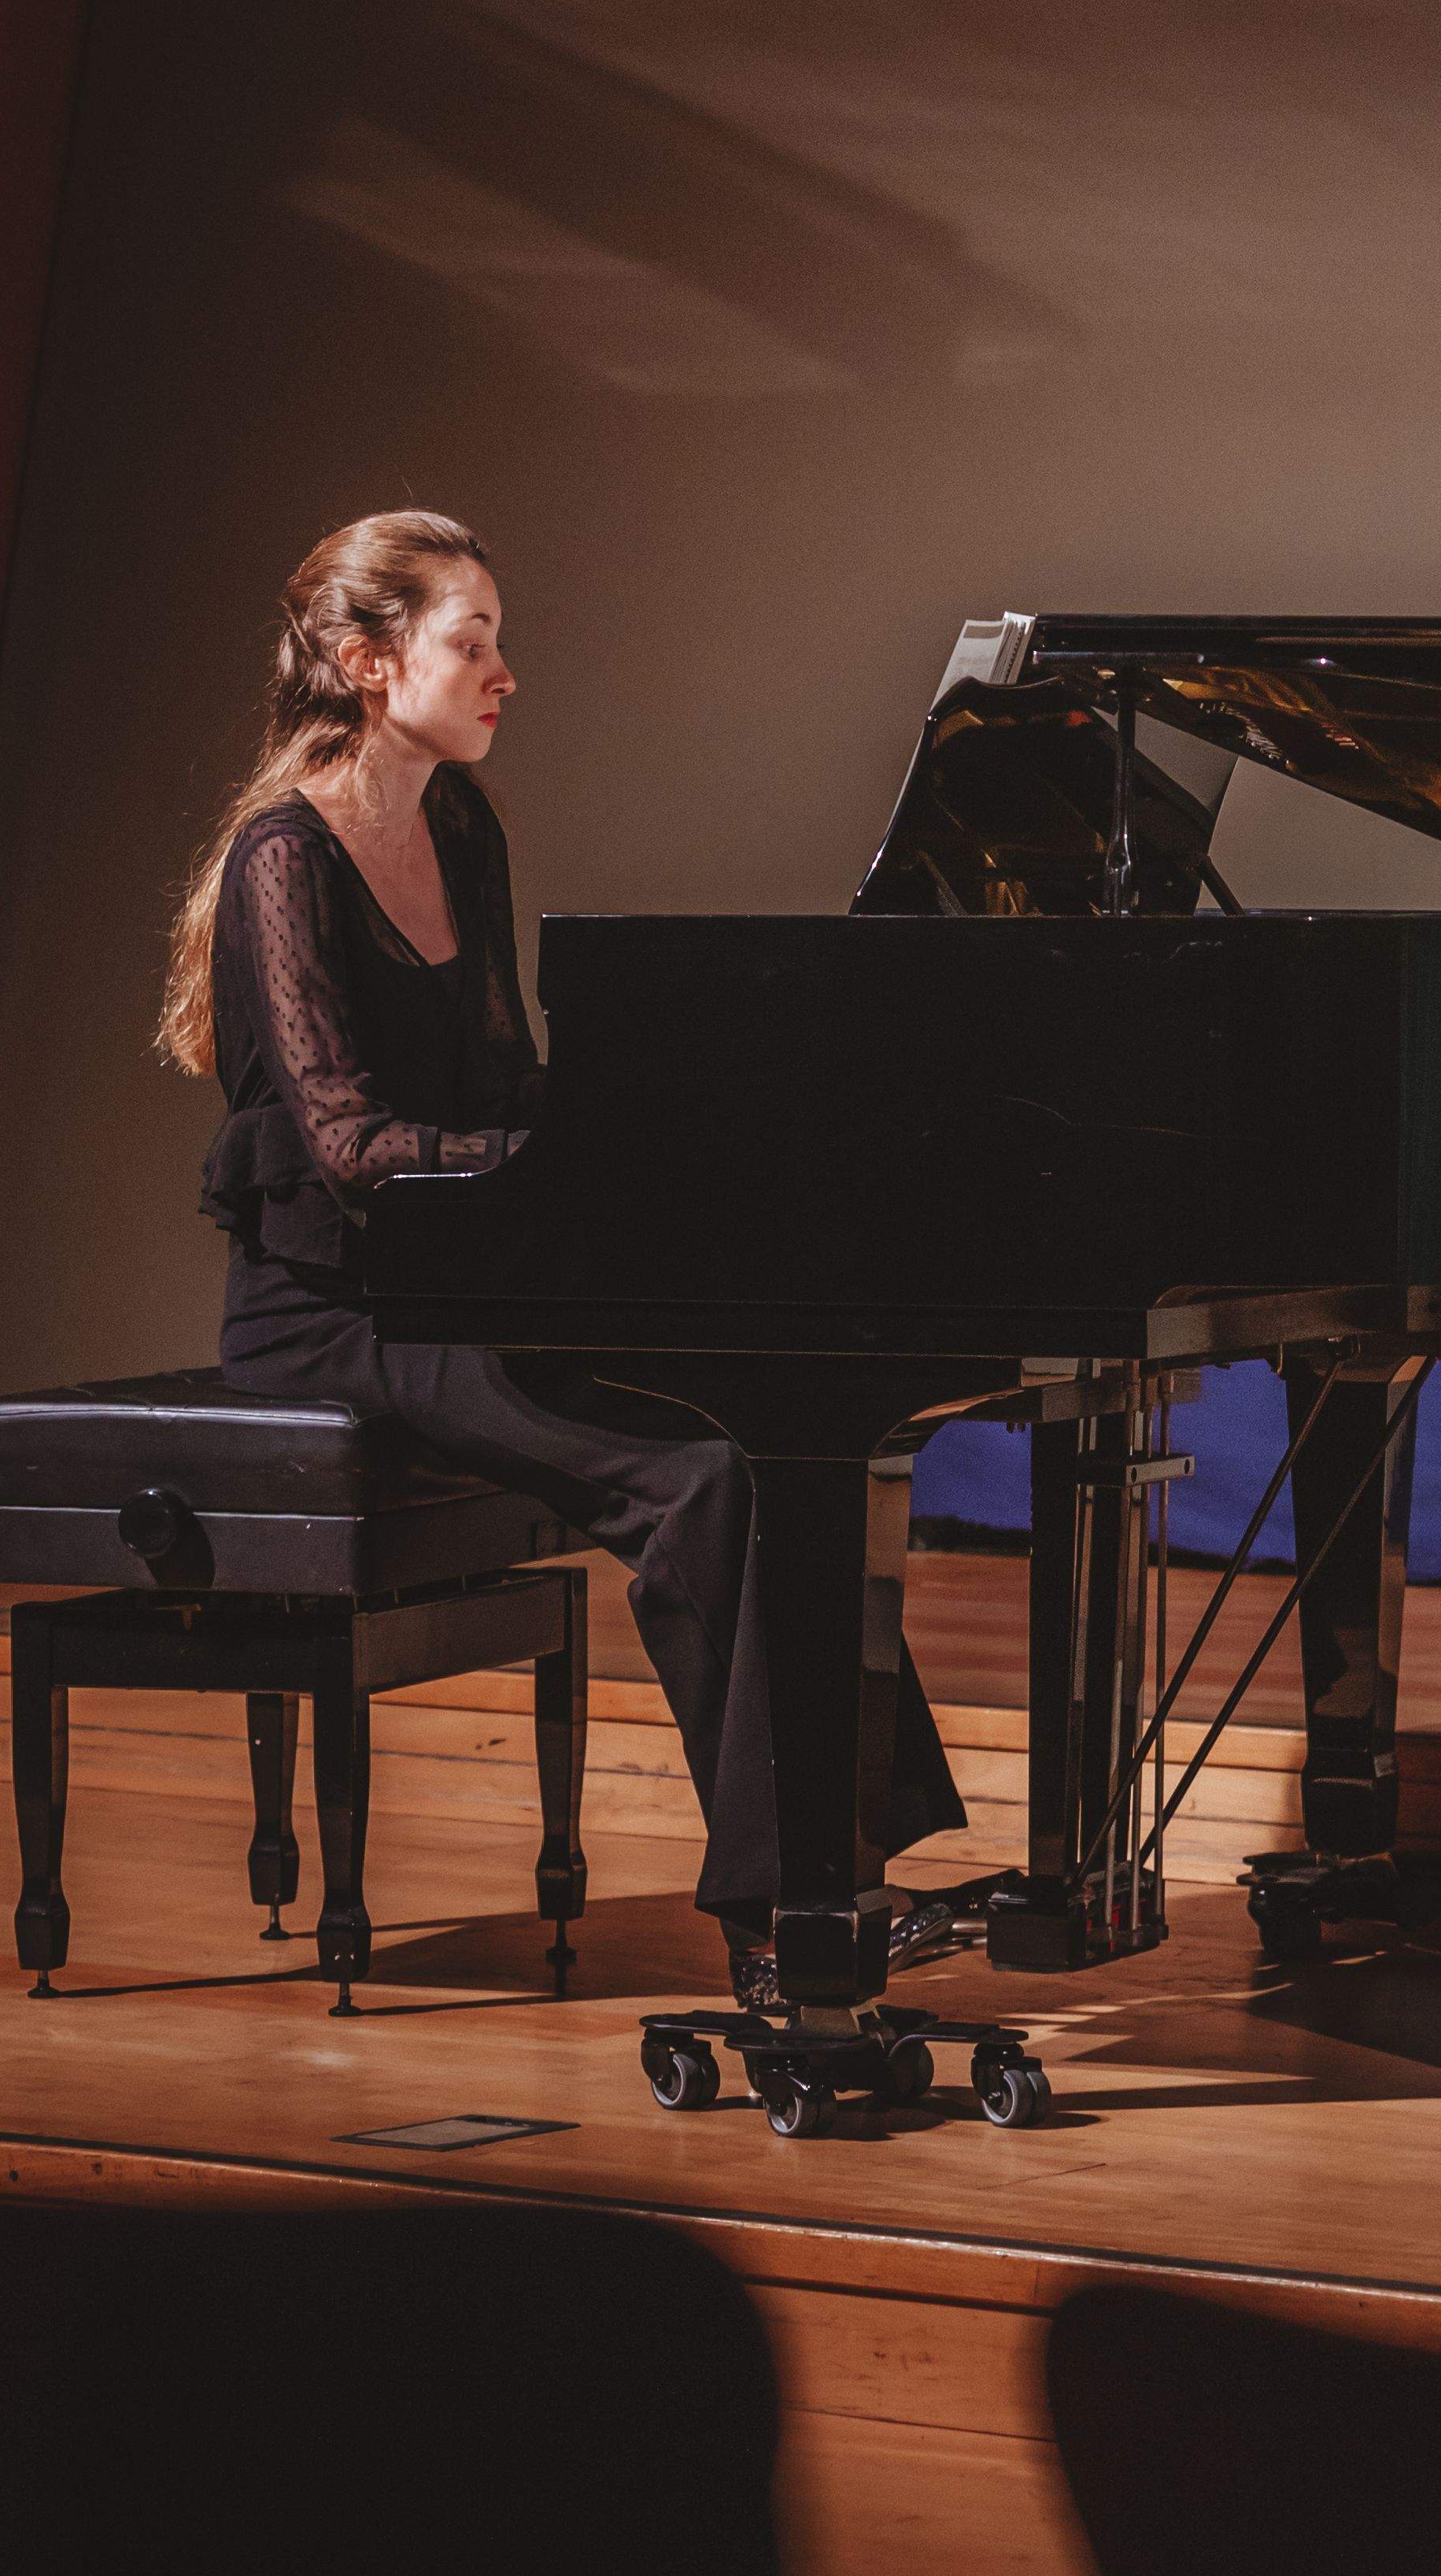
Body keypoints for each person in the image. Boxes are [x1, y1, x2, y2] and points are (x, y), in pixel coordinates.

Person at [160, 508, 965, 1988]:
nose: (504, 670)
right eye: (473, 640)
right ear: (363, 659)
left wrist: (633, 1153)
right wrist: (549, 1170)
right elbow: (345, 1145)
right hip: (339, 1310)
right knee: (698, 1476)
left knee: (772, 1431)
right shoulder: (289, 855)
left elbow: (505, 1077)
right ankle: (779, 1923)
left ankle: (846, 1847)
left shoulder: (460, 823)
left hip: (459, 1277)